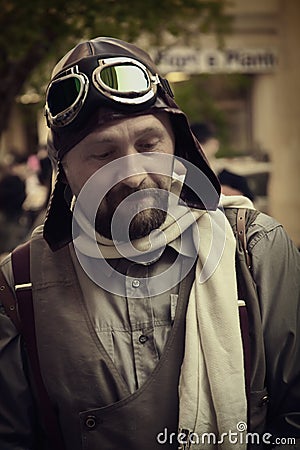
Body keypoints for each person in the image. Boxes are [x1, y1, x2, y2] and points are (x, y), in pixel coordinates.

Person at [0, 37, 299, 450]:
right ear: (63, 171)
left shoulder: (256, 249)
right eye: (103, 154)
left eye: (148, 144)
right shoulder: (18, 285)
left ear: (178, 144)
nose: (134, 174)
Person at [190, 122, 255, 201]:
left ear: (215, 143)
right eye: (194, 144)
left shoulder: (234, 179)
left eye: (202, 141)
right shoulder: (183, 178)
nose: (200, 148)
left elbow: (250, 204)